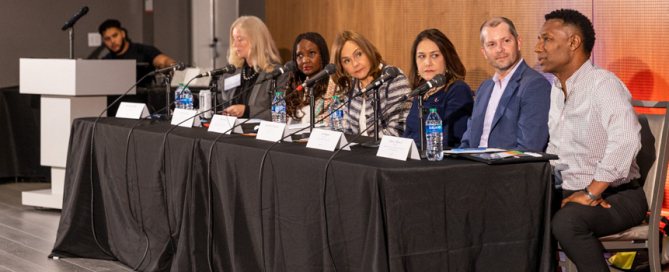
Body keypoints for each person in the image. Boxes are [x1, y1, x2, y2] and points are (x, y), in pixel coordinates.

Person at [535, 9, 648, 271]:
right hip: (571, 189)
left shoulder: (603, 85)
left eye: (547, 39)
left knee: (566, 222)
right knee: (520, 211)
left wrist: (590, 192)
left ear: (574, 42)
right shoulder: (556, 88)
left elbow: (627, 140)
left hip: (618, 194)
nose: (538, 48)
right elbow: (555, 149)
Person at [460, 17, 551, 151]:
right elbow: (468, 141)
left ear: (518, 43)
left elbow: (529, 149)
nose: (499, 49)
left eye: (506, 41)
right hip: (472, 167)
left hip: (505, 169)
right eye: (491, 44)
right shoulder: (484, 88)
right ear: (484, 52)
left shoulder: (535, 85)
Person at [330, 30, 411, 137]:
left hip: (387, 151)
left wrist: (364, 147)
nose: (355, 64)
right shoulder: (351, 86)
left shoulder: (393, 77)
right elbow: (349, 131)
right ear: (342, 67)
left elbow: (399, 128)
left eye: (358, 54)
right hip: (359, 151)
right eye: (347, 61)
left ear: (368, 51)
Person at [402, 29, 473, 148]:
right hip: (413, 158)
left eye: (435, 55)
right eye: (421, 56)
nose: (427, 62)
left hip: (438, 161)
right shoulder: (421, 91)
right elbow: (407, 135)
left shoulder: (458, 90)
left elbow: (449, 141)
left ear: (447, 58)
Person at [217, 16, 287, 120]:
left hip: (258, 133)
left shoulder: (277, 74)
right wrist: (196, 99)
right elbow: (218, 101)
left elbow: (281, 113)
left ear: (257, 41)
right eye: (234, 39)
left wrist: (247, 111)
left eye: (240, 40)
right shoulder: (232, 71)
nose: (234, 44)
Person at [99, 19, 176, 87]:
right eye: (107, 39)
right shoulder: (106, 61)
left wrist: (172, 66)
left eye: (115, 36)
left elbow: (163, 61)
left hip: (145, 99)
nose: (112, 41)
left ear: (123, 34)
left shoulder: (142, 50)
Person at [285, 32, 330, 125]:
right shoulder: (296, 87)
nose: (305, 60)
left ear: (322, 55)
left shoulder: (332, 87)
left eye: (311, 53)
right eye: (300, 55)